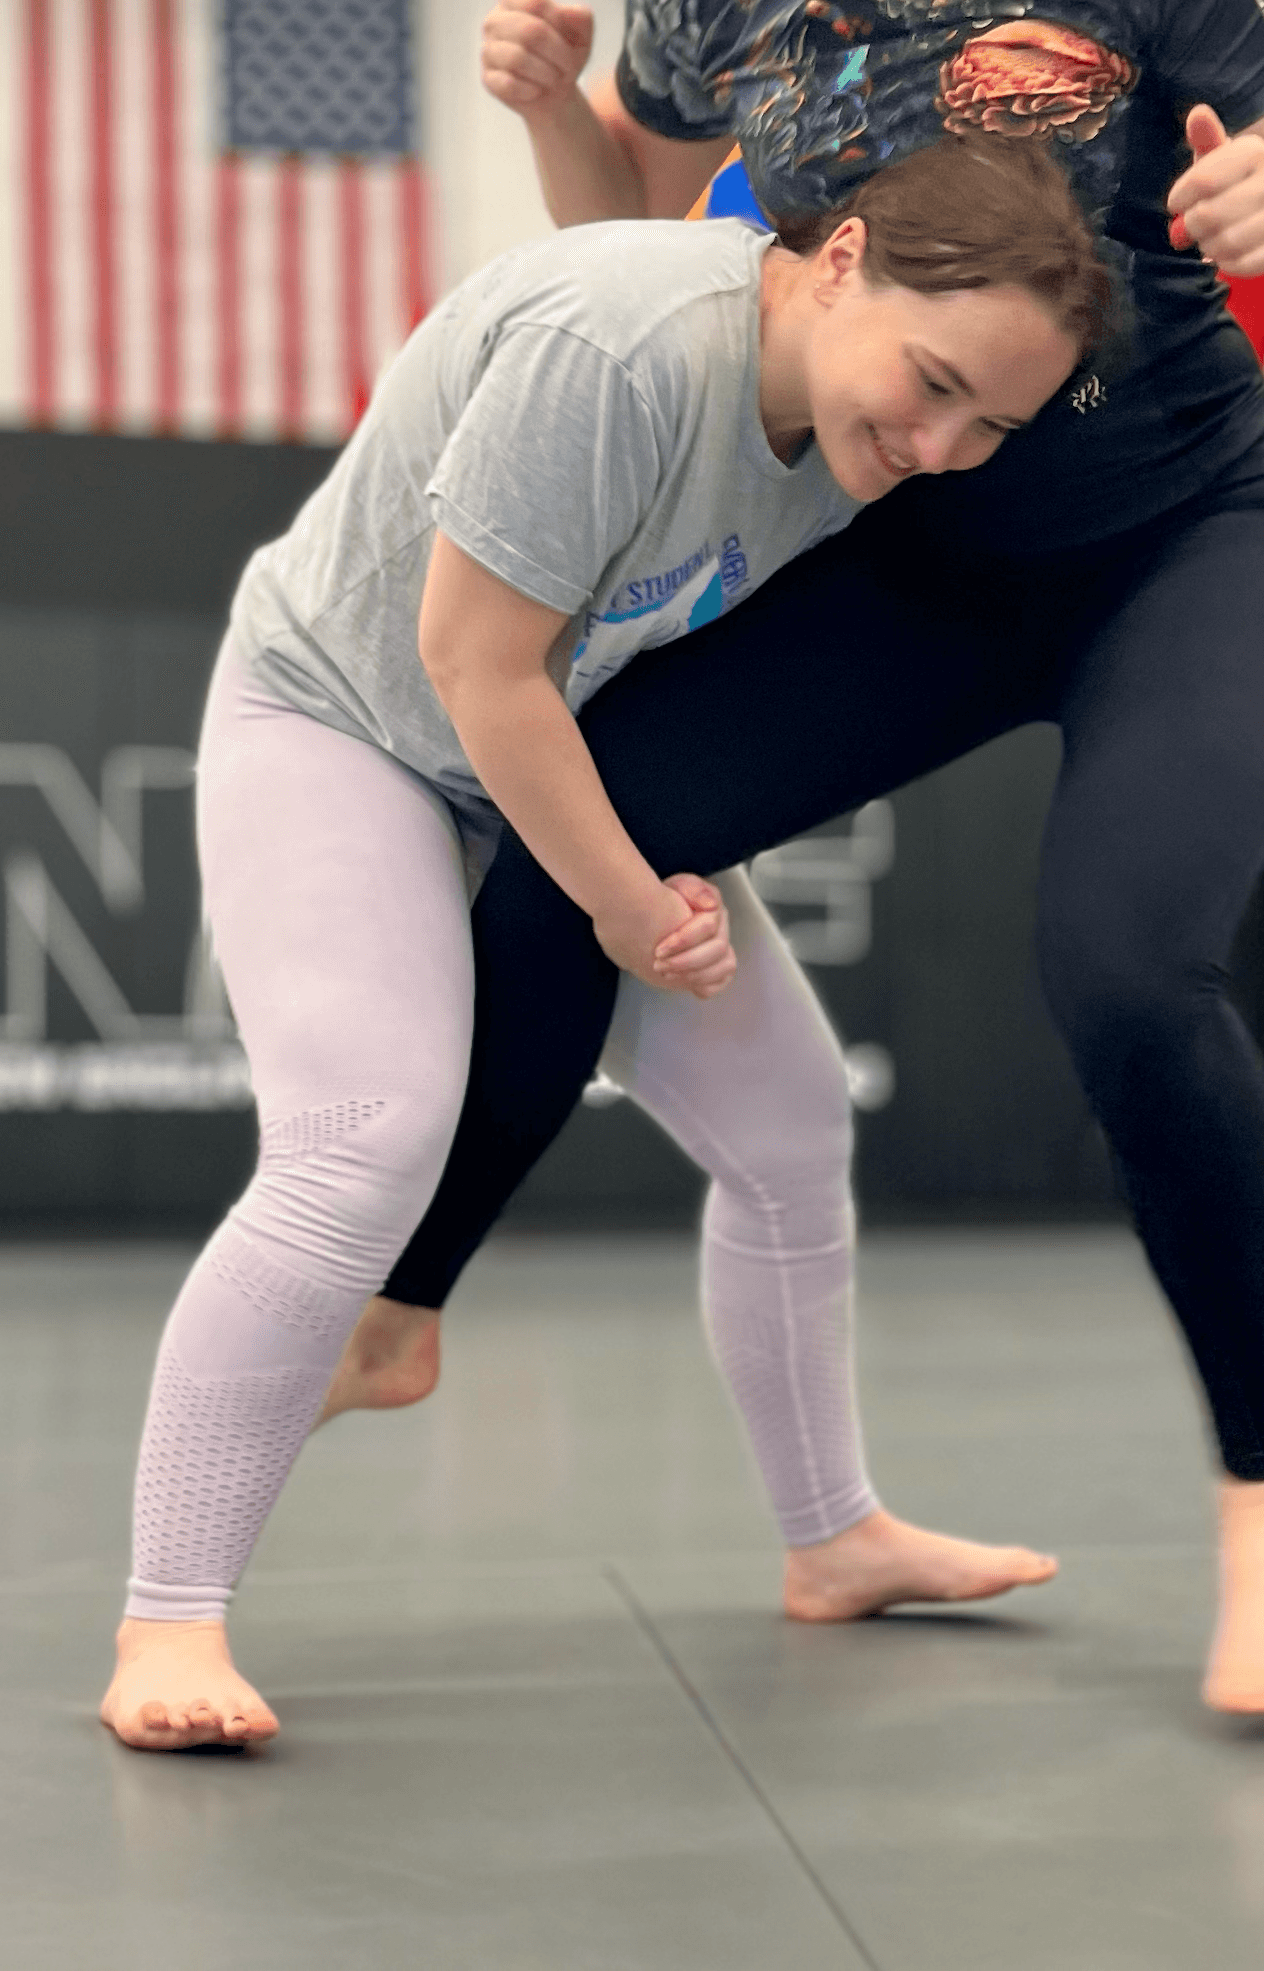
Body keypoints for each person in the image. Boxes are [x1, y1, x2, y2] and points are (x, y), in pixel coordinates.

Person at [322, 0, 1264, 1719]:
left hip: (1172, 545)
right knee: (580, 808)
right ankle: (408, 1296)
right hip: (911, 547)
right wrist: (556, 105)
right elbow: (644, 254)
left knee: (1122, 962)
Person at [100, 127, 1112, 1751]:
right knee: (363, 1138)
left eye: (986, 424)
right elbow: (471, 662)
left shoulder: (847, 426)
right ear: (840, 260)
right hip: (346, 727)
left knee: (788, 1129)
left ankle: (833, 1536)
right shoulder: (623, 348)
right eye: (931, 384)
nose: (937, 442)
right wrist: (631, 904)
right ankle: (166, 1621)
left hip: (537, 764)